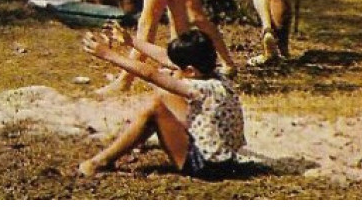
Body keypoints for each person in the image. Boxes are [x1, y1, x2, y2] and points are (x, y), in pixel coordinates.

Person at [77, 26, 245, 180]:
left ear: (190, 71)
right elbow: (166, 58)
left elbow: (150, 74)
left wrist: (107, 54)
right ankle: (135, 138)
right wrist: (131, 41)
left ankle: (100, 161)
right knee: (163, 101)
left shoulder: (198, 88)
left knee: (156, 107)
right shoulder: (217, 77)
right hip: (226, 160)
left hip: (206, 166)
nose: (173, 68)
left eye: (179, 68)